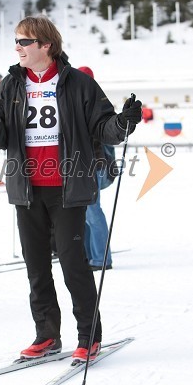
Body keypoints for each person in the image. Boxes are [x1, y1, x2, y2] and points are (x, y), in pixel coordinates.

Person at [0, 16, 142, 362]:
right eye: (17, 41)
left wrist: (123, 122)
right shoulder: (10, 85)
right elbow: (1, 137)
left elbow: (104, 128)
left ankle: (89, 336)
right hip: (27, 189)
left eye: (24, 41)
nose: (17, 48)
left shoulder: (79, 84)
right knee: (36, 266)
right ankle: (46, 335)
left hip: (67, 187)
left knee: (73, 264)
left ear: (45, 45)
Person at [78, 66, 114, 271]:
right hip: (82, 165)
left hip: (92, 164)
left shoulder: (92, 103)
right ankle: (92, 255)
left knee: (92, 211)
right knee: (84, 212)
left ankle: (101, 258)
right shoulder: (82, 100)